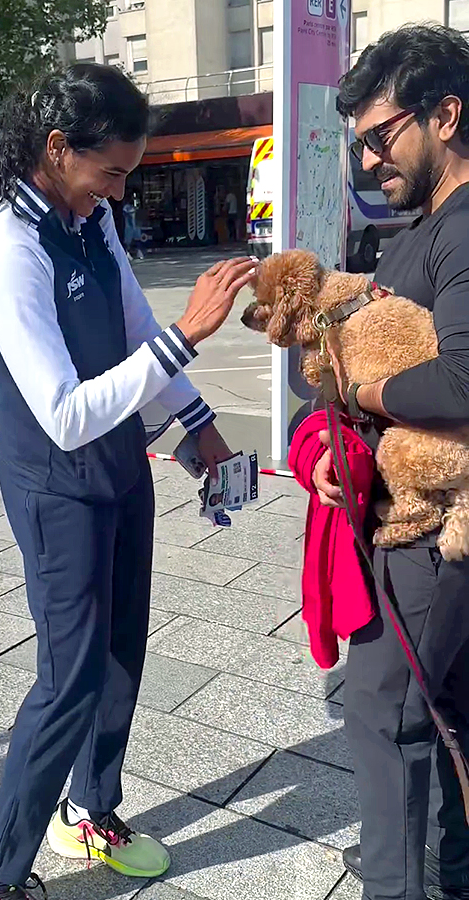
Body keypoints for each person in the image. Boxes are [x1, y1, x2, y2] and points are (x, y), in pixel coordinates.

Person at [0, 63, 256, 900]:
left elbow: (131, 329)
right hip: (56, 484)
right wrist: (188, 336)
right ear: (57, 149)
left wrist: (201, 429)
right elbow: (60, 412)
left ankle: (90, 809)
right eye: (114, 171)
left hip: (122, 467)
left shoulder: (88, 220)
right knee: (68, 678)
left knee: (122, 652)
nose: (122, 191)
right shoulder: (4, 243)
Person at [314, 24, 469, 900]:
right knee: (444, 710)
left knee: (383, 715)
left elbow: (461, 376)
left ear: (446, 114)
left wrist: (360, 394)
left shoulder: (463, 228)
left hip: (433, 532)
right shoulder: (428, 225)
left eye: (382, 135)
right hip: (420, 510)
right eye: (362, 143)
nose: (371, 160)